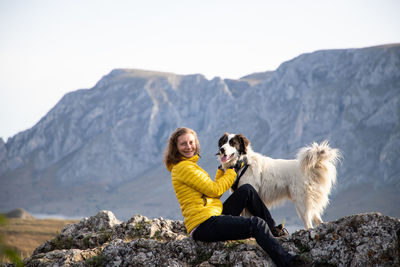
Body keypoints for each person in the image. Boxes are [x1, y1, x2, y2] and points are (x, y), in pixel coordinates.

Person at [164, 127, 309, 267]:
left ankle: (274, 230)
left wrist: (222, 169)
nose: (189, 146)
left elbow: (213, 193)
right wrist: (232, 172)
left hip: (213, 216)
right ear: (175, 148)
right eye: (183, 144)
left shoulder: (190, 165)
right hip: (204, 225)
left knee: (247, 190)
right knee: (256, 224)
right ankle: (288, 262)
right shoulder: (184, 168)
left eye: (191, 142)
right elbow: (214, 190)